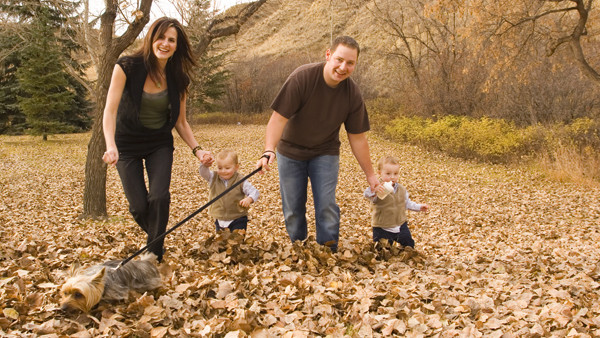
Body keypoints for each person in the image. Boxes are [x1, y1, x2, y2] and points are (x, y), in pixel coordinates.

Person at [102, 17, 212, 263]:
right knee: (139, 207)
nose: (165, 43)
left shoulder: (179, 78)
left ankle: (153, 256)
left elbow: (180, 122)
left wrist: (198, 150)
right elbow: (109, 110)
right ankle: (157, 243)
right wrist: (111, 145)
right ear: (151, 38)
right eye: (161, 37)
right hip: (126, 144)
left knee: (159, 197)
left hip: (158, 144)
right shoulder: (127, 66)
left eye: (171, 40)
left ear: (176, 46)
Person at [256, 36, 379, 252]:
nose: (343, 67)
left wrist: (370, 175)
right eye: (339, 59)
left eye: (350, 63)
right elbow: (278, 119)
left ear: (355, 64)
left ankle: (328, 250)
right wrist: (268, 150)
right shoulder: (302, 78)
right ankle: (299, 248)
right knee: (293, 208)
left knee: (326, 206)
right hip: (291, 151)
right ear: (328, 55)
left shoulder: (352, 94)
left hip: (325, 152)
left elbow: (358, 137)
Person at [364, 155, 429, 248]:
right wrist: (375, 190)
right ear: (379, 173)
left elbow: (406, 203)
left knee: (408, 244)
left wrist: (419, 207)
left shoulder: (402, 189)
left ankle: (407, 256)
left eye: (395, 174)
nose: (392, 177)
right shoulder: (378, 187)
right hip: (382, 226)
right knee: (382, 250)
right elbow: (367, 194)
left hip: (400, 224)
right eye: (388, 174)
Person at [199, 149, 259, 232]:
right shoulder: (213, 177)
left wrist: (249, 199)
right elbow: (203, 173)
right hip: (219, 217)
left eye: (227, 168)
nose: (223, 171)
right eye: (220, 168)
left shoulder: (240, 180)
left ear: (236, 167)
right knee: (221, 241)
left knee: (236, 240)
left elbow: (254, 192)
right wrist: (204, 165)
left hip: (238, 217)